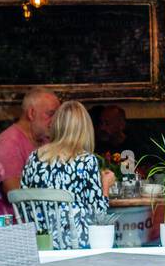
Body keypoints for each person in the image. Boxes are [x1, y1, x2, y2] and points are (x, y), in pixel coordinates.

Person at [21, 100, 115, 248]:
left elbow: (24, 205)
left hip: (40, 243)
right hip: (76, 246)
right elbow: (98, 215)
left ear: (56, 125)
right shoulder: (86, 161)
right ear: (85, 129)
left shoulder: (35, 158)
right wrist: (105, 185)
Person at [0, 86, 61, 217]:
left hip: (35, 226)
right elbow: (15, 194)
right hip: (10, 231)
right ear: (31, 113)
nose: (55, 121)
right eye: (51, 114)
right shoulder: (8, 143)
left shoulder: (44, 141)